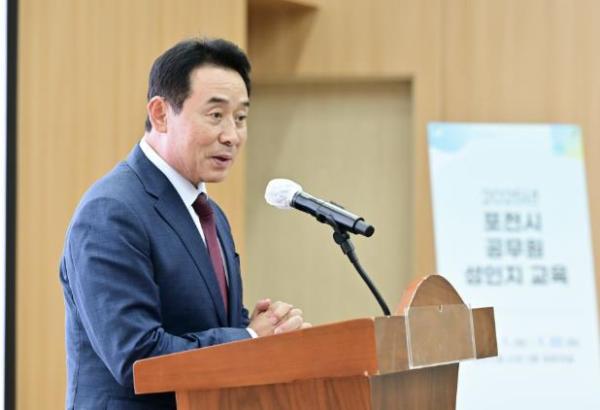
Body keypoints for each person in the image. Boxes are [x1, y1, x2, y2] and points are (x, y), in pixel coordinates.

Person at [59, 38, 309, 409]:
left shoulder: (210, 213)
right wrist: (249, 339)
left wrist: (262, 328)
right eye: (216, 115)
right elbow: (137, 358)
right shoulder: (111, 211)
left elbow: (206, 323)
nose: (232, 135)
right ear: (161, 114)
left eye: (241, 118)